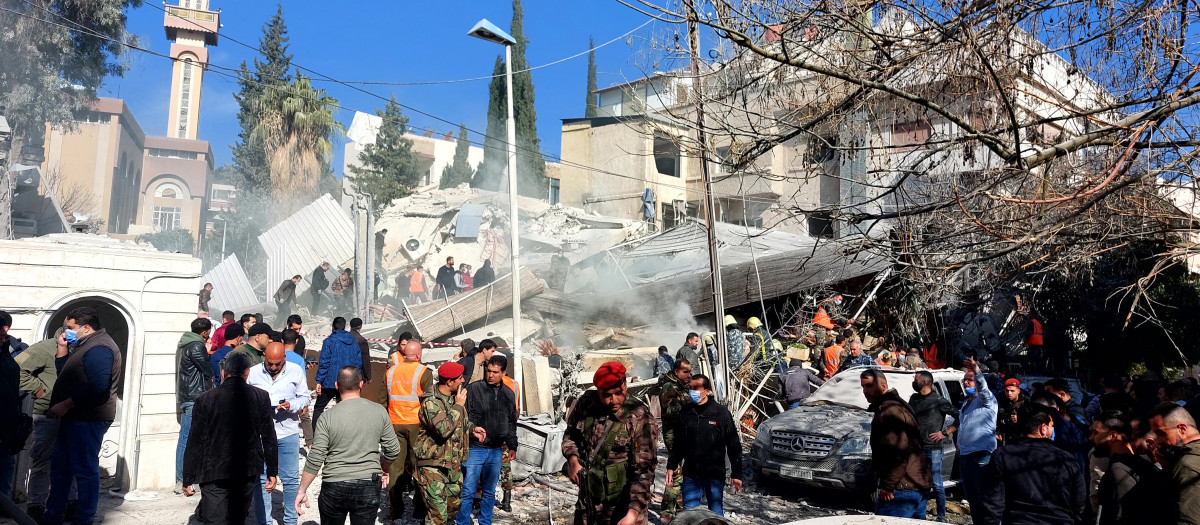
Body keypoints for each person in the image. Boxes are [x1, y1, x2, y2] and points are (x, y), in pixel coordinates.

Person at [42, 307, 123, 525]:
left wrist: (66, 405)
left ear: (86, 327)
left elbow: (98, 386)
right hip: (75, 418)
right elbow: (67, 374)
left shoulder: (100, 348)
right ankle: (53, 515)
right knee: (61, 468)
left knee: (84, 470)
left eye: (71, 328)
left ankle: (84, 518)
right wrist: (62, 349)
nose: (67, 331)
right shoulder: (85, 344)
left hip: (87, 419)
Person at [182, 351, 279, 525]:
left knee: (214, 520)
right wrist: (272, 470)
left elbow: (195, 441)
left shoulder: (205, 399)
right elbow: (269, 437)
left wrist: (188, 477)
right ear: (247, 372)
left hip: (213, 471)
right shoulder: (260, 396)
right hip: (246, 469)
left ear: (223, 373)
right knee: (238, 519)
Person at [294, 366, 398, 525]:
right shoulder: (379, 411)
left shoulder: (327, 417)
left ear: (336, 386)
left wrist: (302, 490)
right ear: (361, 384)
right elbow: (393, 449)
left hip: (334, 483)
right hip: (368, 483)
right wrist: (384, 467)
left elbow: (316, 458)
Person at [562, 362, 659, 525]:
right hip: (589, 504)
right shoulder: (586, 404)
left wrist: (632, 514)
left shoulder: (639, 418)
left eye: (619, 393)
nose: (614, 400)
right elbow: (571, 435)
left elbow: (645, 470)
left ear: (626, 384)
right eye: (607, 395)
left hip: (623, 509)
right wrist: (573, 460)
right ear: (598, 391)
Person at [977, 404, 1087, 525]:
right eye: (1051, 426)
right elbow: (1079, 503)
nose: (1053, 429)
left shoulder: (1002, 456)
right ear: (1043, 428)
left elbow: (992, 502)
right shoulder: (1066, 459)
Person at [414, 362, 485, 525]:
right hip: (433, 466)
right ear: (449, 382)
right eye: (459, 378)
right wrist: (458, 406)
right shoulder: (431, 402)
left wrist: (473, 429)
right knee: (438, 517)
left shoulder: (454, 399)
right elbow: (443, 429)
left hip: (453, 465)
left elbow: (459, 423)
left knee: (452, 509)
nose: (462, 381)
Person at [247, 342, 309, 525]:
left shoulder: (296, 371)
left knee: (289, 480)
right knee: (261, 480)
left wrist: (292, 405)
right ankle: (264, 521)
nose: (273, 368)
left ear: (284, 359)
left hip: (287, 432)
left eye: (277, 364)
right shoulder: (253, 373)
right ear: (264, 357)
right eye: (270, 364)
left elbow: (304, 397)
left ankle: (290, 520)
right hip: (261, 436)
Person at [665, 374, 742, 516]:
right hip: (691, 474)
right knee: (689, 514)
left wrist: (736, 473)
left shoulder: (720, 413)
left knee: (715, 512)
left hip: (714, 474)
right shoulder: (686, 412)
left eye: (696, 388)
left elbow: (733, 444)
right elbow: (679, 442)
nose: (692, 391)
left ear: (707, 391)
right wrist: (671, 465)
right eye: (690, 388)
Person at [860, 368, 931, 518]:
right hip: (915, 484)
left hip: (902, 489)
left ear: (883, 386)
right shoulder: (898, 405)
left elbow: (898, 453)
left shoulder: (889, 411)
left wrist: (888, 485)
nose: (865, 391)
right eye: (863, 387)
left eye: (869, 386)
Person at [459, 355, 519, 525]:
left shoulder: (508, 394)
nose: (490, 375)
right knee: (468, 490)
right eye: (488, 371)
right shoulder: (473, 389)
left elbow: (511, 423)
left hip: (496, 450)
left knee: (489, 491)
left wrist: (512, 445)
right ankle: (463, 521)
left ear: (504, 373)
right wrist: (471, 430)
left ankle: (486, 521)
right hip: (475, 449)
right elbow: (462, 418)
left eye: (495, 372)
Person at [14, 324, 66, 519]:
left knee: (69, 462)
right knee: (42, 461)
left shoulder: (83, 348)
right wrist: (39, 389)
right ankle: (35, 506)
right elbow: (16, 367)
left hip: (73, 417)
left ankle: (68, 504)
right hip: (46, 415)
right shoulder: (45, 348)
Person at [383, 341, 433, 522]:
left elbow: (383, 400)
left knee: (395, 468)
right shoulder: (424, 372)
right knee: (418, 466)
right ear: (418, 354)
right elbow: (429, 405)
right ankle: (419, 509)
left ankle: (395, 511)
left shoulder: (390, 372)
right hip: (416, 425)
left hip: (394, 423)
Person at [1090, 410, 1163, 524]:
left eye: (1095, 433)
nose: (1091, 438)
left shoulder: (1117, 474)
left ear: (1113, 436)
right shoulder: (1144, 466)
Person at [909, 370, 959, 522]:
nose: (914, 381)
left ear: (925, 382)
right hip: (916, 448)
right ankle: (919, 516)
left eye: (916, 379)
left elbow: (960, 416)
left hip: (933, 448)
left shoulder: (938, 401)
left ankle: (941, 517)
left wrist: (945, 432)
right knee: (918, 482)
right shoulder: (914, 398)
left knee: (937, 484)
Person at [175, 318, 213, 493]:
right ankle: (183, 479)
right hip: (194, 397)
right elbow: (207, 370)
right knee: (188, 439)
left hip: (187, 396)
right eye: (208, 332)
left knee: (187, 438)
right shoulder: (197, 346)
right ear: (204, 332)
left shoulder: (184, 344)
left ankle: (185, 478)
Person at [958, 357, 998, 523]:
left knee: (986, 501)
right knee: (973, 500)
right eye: (965, 380)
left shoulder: (986, 399)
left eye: (970, 380)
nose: (966, 383)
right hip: (966, 456)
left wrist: (976, 371)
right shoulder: (966, 403)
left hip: (982, 456)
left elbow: (982, 388)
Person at [654, 358, 692, 522]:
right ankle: (667, 513)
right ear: (676, 372)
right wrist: (690, 403)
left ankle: (680, 506)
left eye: (690, 372)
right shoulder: (669, 387)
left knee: (686, 473)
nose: (689, 375)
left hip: (684, 434)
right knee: (676, 474)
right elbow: (670, 411)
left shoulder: (682, 386)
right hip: (674, 436)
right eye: (685, 372)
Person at [1149, 402, 1200, 523]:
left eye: (1161, 433)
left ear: (1182, 429)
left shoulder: (1186, 466)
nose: (1158, 440)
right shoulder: (1184, 460)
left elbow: (1188, 520)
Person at [313, 317, 364, 429]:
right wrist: (356, 380)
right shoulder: (353, 342)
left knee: (318, 408)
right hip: (347, 381)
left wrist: (319, 381)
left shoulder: (329, 341)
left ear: (333, 327)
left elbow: (324, 362)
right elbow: (358, 363)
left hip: (330, 382)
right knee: (345, 408)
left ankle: (316, 436)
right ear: (345, 327)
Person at [0, 311, 20, 504]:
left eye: (3, 334)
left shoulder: (7, 355)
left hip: (6, 425)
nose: (2, 337)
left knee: (6, 467)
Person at [998, 378, 1029, 442]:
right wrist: (997, 431)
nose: (1009, 393)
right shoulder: (1000, 399)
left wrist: (1020, 419)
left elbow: (1032, 419)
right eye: (1007, 390)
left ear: (1018, 391)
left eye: (1012, 391)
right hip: (1004, 433)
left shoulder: (1027, 401)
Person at [348, 317, 373, 382]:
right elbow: (365, 359)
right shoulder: (362, 340)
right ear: (361, 326)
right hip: (356, 373)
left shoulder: (343, 338)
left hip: (343, 372)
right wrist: (368, 376)